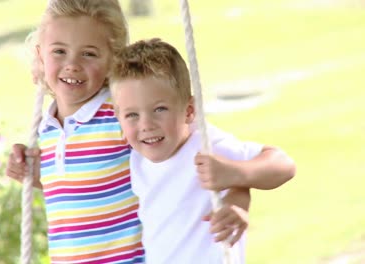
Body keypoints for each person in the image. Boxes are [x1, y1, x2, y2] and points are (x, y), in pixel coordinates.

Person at [6, 0, 294, 262]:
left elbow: (199, 147)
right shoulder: (48, 126)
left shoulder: (125, 114)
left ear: (113, 61)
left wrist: (237, 193)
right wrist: (37, 175)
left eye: (89, 54)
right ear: (39, 55)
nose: (72, 64)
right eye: (59, 51)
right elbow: (86, 188)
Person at [107, 38, 296, 263]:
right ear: (118, 117)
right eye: (132, 115)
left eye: (159, 109)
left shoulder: (204, 144)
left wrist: (236, 174)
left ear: (189, 111)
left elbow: (284, 164)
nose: (146, 125)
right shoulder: (137, 159)